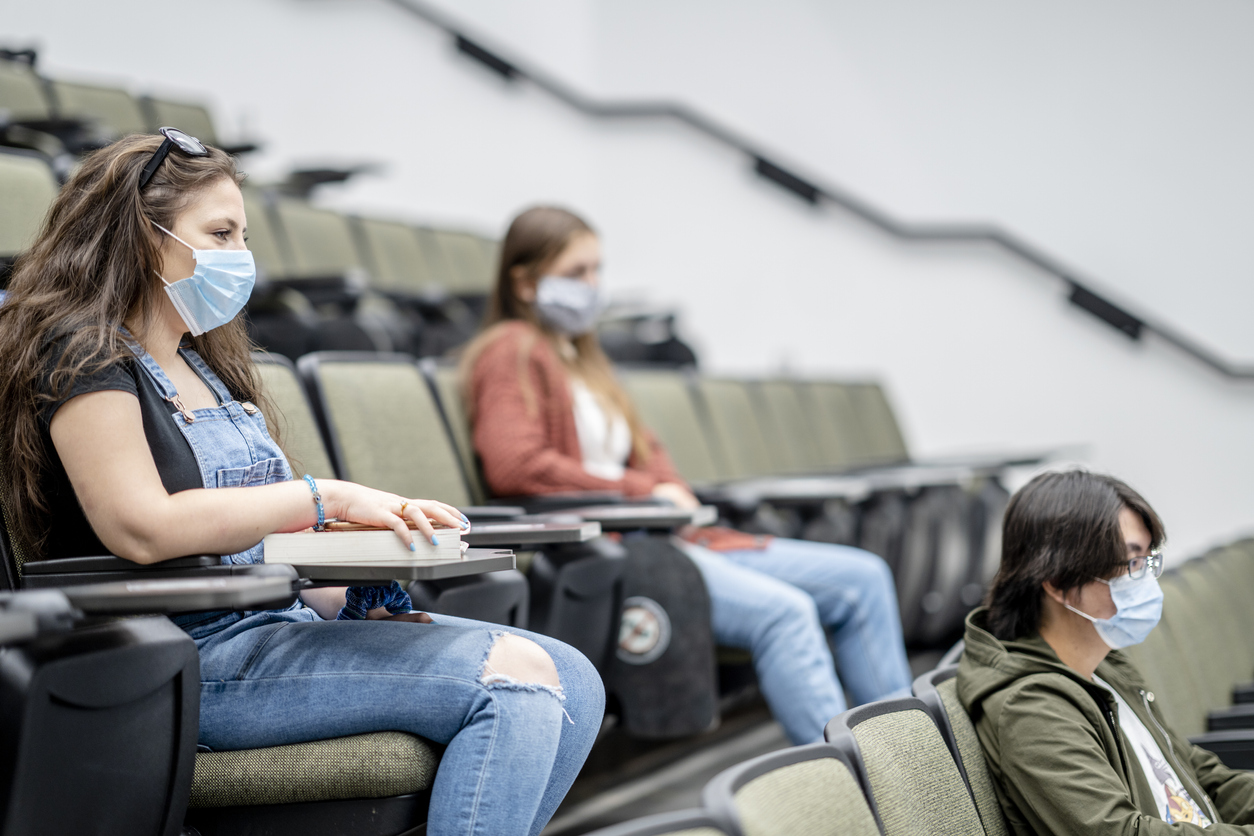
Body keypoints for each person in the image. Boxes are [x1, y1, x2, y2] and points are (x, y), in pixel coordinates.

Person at [0, 132, 602, 836]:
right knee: (518, 681)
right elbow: (140, 525)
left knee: (576, 681)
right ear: (143, 234)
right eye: (219, 233)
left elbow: (267, 549)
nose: (239, 255)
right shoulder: (82, 353)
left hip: (275, 629)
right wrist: (328, 498)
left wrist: (357, 585)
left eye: (244, 234)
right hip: (179, 657)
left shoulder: (210, 366)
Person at [461, 205, 912, 745]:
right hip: (616, 547)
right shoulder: (509, 350)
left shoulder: (583, 359)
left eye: (596, 270)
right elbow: (516, 466)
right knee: (785, 614)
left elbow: (649, 451)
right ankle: (853, 787)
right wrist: (644, 492)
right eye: (576, 273)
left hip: (668, 532)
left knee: (863, 579)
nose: (593, 285)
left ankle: (907, 759)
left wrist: (662, 487)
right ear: (526, 282)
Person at [958, 469, 1254, 835]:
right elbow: (1120, 833)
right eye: (1131, 564)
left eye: (1148, 561)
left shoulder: (1104, 667)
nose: (1145, 580)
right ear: (1058, 583)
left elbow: (1200, 778)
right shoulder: (1032, 709)